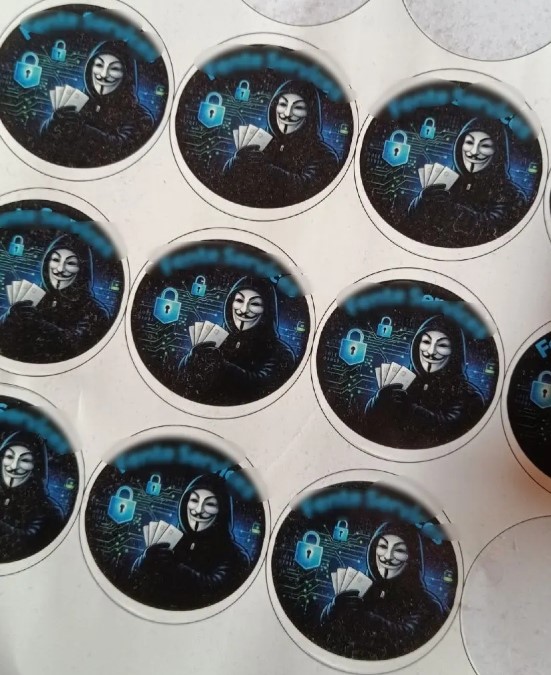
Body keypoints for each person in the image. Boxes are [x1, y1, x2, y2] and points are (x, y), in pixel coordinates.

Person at [319, 522, 444, 660]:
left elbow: (409, 638)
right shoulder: (360, 588)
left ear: (412, 557)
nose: (388, 557)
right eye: (383, 546)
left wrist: (363, 617)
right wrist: (333, 609)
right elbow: (325, 632)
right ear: (373, 549)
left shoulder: (428, 604)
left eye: (399, 550)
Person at [361, 316, 485, 448]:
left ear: (455, 351)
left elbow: (449, 431)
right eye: (426, 342)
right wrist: (378, 402)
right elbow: (370, 424)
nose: (431, 352)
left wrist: (411, 409)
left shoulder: (470, 397)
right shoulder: (401, 381)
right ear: (417, 344)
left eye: (442, 345)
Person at [131, 473, 250, 610]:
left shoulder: (235, 555)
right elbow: (134, 582)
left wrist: (175, 568)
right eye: (194, 500)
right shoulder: (169, 541)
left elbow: (217, 590)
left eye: (210, 504)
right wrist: (145, 561)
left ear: (222, 510)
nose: (198, 510)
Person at [405, 118, 527, 246]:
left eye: (485, 145)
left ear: (498, 152)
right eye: (469, 142)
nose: (473, 152)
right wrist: (421, 202)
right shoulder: (447, 182)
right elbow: (411, 225)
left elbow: (491, 230)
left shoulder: (512, 195)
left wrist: (449, 209)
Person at [177, 276, 296, 405]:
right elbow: (182, 381)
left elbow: (264, 387)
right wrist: (191, 358)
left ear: (267, 310)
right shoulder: (215, 339)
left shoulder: (281, 352)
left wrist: (223, 366)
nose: (244, 310)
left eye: (255, 304)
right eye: (239, 300)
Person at [222, 80, 340, 207]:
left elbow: (307, 189)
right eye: (283, 104)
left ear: (311, 113)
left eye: (298, 107)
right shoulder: (259, 141)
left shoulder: (324, 155)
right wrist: (236, 162)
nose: (287, 114)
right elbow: (227, 184)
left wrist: (265, 169)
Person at [40, 40, 154, 167]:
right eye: (99, 65)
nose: (103, 75)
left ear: (127, 75)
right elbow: (44, 144)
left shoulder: (140, 117)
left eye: (114, 68)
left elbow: (121, 149)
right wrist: (53, 123)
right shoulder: (76, 102)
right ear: (90, 68)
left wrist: (82, 130)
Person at [0, 234, 110, 362]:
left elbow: (78, 347)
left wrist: (39, 324)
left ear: (82, 269)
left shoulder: (95, 312)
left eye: (70, 263)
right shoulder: (32, 297)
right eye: (56, 260)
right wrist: (9, 317)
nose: (59, 269)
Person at [0, 431, 64, 563]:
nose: (13, 466)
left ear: (37, 466)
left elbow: (28, 543)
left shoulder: (50, 511)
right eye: (9, 457)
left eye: (25, 460)